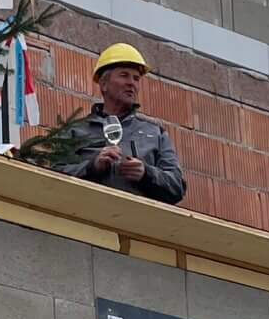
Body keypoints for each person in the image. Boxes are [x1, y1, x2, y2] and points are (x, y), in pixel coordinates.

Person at [59, 42, 186, 204]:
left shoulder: (155, 134)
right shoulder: (75, 131)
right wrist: (92, 167)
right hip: (87, 219)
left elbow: (177, 187)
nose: (131, 83)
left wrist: (146, 173)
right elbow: (52, 175)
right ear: (104, 84)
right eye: (124, 75)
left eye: (136, 78)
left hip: (136, 223)